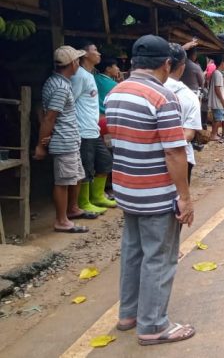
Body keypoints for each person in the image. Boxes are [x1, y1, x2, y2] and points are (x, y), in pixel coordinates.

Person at [104, 34, 196, 346]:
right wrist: (184, 197)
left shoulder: (115, 92)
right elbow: (174, 152)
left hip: (126, 189)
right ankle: (153, 325)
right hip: (156, 193)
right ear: (167, 64)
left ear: (134, 61)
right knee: (159, 257)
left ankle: (128, 314)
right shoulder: (162, 97)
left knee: (133, 252)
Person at [34, 46, 96, 233]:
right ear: (73, 63)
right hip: (64, 140)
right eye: (77, 60)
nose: (79, 63)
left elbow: (43, 111)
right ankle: (61, 220)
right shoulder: (61, 87)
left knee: (76, 176)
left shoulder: (58, 82)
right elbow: (50, 117)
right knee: (63, 182)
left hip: (70, 138)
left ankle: (72, 208)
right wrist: (41, 145)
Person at [71, 43, 116, 213]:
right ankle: (84, 202)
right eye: (95, 50)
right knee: (86, 166)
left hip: (93, 128)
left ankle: (97, 196)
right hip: (82, 129)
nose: (99, 53)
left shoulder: (90, 75)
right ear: (84, 54)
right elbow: (70, 101)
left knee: (105, 161)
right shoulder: (79, 76)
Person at [165, 43, 202, 184]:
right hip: (181, 158)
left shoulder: (141, 91)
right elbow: (189, 134)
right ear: (182, 67)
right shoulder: (189, 97)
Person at [207, 55, 224, 143]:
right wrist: (223, 102)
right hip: (218, 101)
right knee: (218, 119)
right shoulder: (218, 74)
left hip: (214, 101)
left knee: (216, 118)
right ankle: (213, 135)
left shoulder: (215, 73)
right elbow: (217, 89)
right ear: (222, 63)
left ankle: (214, 133)